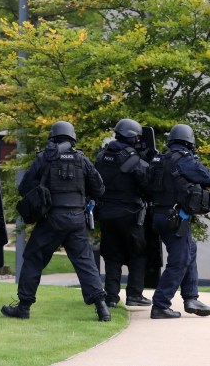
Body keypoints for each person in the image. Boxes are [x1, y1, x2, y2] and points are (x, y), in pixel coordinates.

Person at [2, 121, 112, 322]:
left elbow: (24, 187)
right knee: (85, 263)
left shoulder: (44, 158)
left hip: (51, 218)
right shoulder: (82, 159)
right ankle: (102, 307)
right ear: (72, 138)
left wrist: (41, 194)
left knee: (34, 258)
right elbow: (99, 189)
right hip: (77, 218)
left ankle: (24, 307)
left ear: (53, 138)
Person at [148, 123, 210, 319]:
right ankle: (160, 304)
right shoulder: (184, 160)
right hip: (176, 217)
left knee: (189, 251)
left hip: (159, 215)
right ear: (189, 141)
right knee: (179, 260)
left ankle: (191, 297)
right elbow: (209, 178)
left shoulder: (158, 159)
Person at [94, 118, 152, 308]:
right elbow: (147, 185)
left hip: (106, 213)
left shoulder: (101, 156)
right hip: (129, 214)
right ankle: (134, 294)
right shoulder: (134, 159)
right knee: (137, 254)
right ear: (132, 137)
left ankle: (111, 297)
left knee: (112, 256)